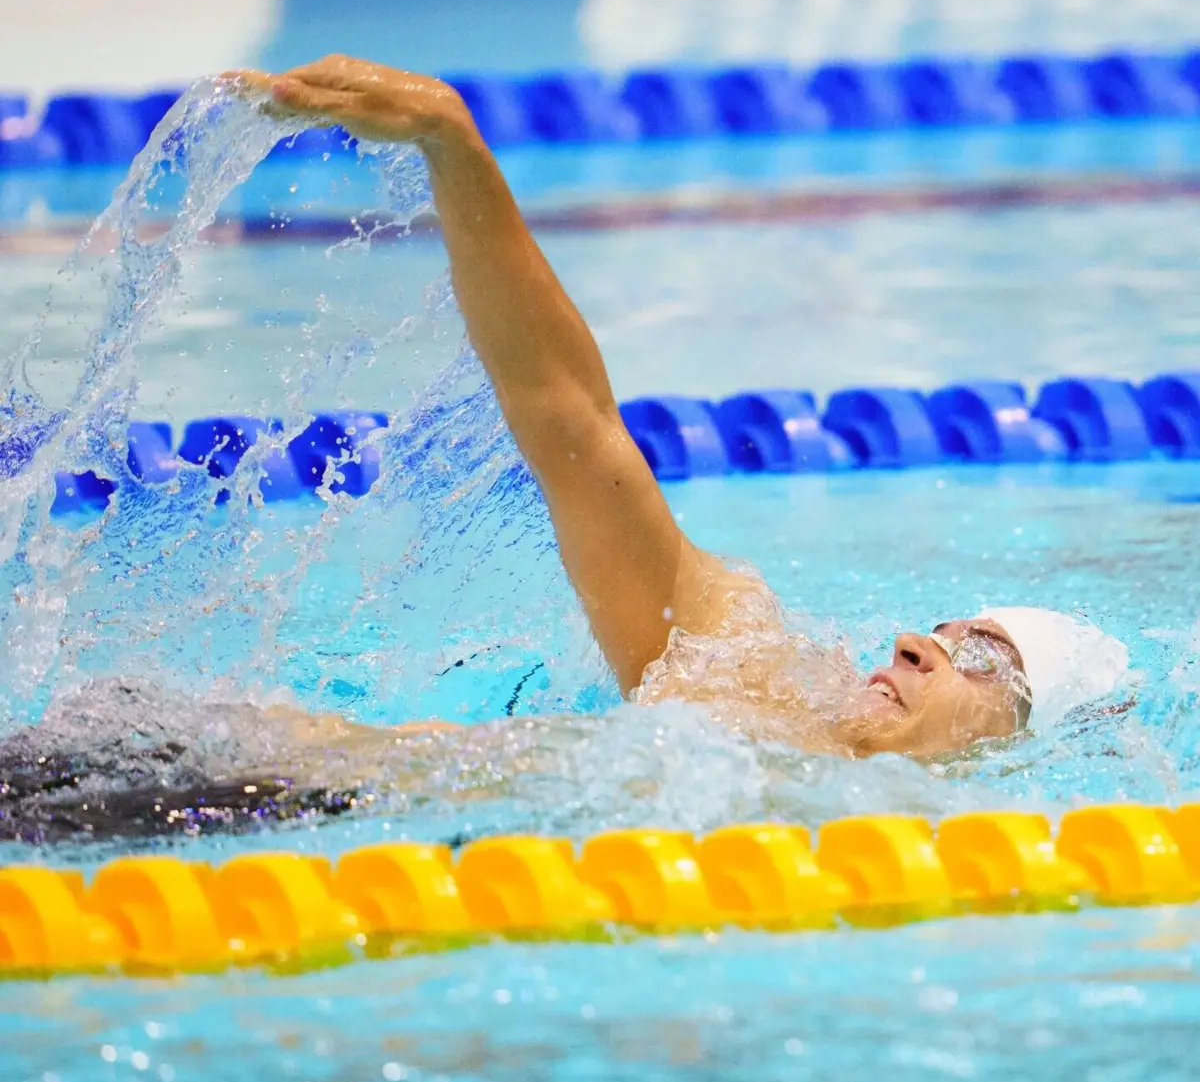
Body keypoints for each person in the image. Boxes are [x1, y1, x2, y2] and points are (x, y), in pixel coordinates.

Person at [0, 56, 1131, 841]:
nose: (916, 646)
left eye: (981, 657)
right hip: (208, 783)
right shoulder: (737, 655)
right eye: (941, 628)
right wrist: (454, 144)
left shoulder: (914, 842)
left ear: (1016, 749)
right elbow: (574, 427)